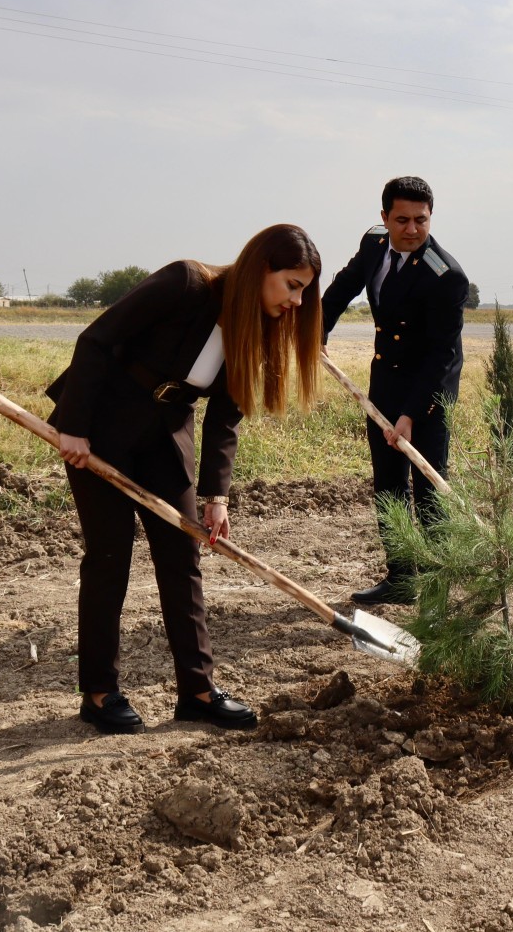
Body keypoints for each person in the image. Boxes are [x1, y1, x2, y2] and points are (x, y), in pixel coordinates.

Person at [48, 224, 323, 734]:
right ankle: (99, 692)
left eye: (304, 289)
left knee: (182, 557)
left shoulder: (257, 323)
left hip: (165, 439)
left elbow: (225, 415)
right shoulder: (187, 284)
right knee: (110, 557)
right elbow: (96, 340)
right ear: (262, 269)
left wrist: (217, 495)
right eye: (292, 284)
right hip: (101, 430)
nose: (298, 300)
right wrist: (75, 428)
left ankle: (197, 691)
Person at [321, 176, 469, 605]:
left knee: (427, 486)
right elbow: (342, 288)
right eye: (401, 220)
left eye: (420, 220)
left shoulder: (447, 276)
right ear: (384, 218)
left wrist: (410, 414)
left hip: (430, 388)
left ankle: (440, 586)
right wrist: (316, 332)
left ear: (430, 218)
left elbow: (442, 355)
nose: (411, 229)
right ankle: (402, 579)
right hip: (386, 379)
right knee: (387, 483)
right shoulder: (373, 244)